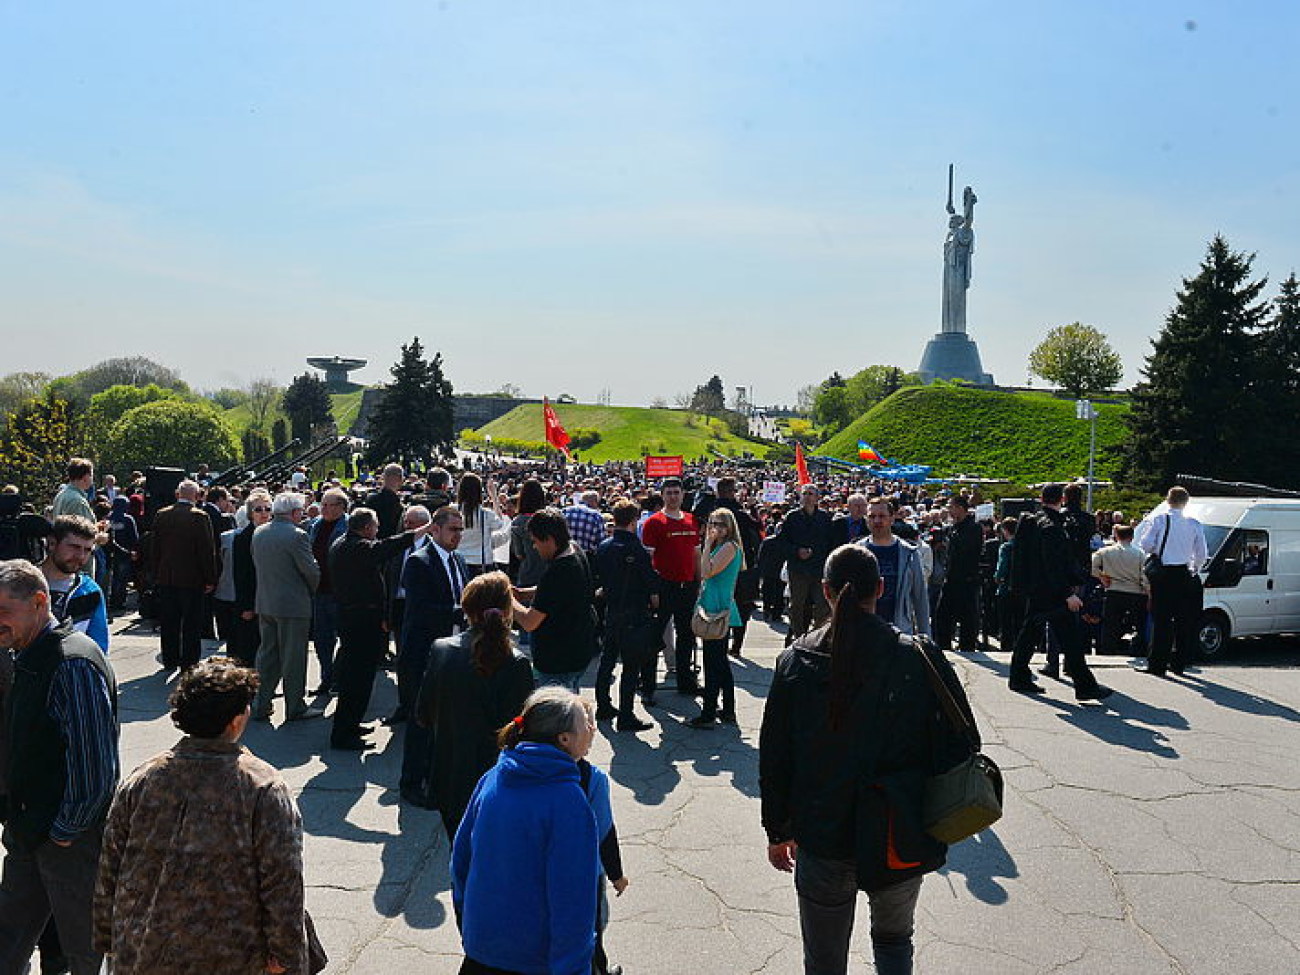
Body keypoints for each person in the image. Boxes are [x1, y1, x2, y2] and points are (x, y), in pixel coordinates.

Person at [759, 544, 977, 975]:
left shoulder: (796, 661)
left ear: (824, 590)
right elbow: (963, 742)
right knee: (895, 941)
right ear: (881, 587)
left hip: (822, 832)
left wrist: (778, 828)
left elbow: (775, 757)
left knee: (824, 960)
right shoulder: (916, 657)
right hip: (900, 825)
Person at [92, 658, 308, 974]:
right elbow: (283, 881)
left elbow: (110, 866)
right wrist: (287, 957)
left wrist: (107, 938)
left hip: (143, 950)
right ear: (235, 721)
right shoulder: (262, 787)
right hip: (232, 955)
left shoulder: (142, 780)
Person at [0, 559, 119, 975]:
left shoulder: (72, 662)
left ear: (38, 601)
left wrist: (66, 832)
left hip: (68, 838)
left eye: (3, 612)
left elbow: (95, 766)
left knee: (83, 953)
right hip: (30, 830)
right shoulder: (27, 653)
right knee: (8, 942)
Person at [451, 686, 600, 975]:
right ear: (565, 739)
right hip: (534, 959)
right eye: (586, 723)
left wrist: (471, 927)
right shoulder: (567, 801)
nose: (593, 728)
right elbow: (573, 900)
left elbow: (460, 861)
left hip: (482, 950)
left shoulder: (493, 778)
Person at [414, 571, 534, 839]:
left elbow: (422, 715)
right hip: (497, 781)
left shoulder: (441, 650)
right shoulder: (516, 663)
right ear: (506, 610)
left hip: (448, 779)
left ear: (466, 608)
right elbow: (522, 732)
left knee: (459, 856)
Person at [328, 507, 427, 751]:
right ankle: (344, 733)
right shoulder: (357, 548)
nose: (378, 530)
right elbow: (386, 547)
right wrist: (419, 531)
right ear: (365, 528)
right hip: (360, 619)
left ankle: (351, 724)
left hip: (356, 617)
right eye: (375, 525)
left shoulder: (343, 543)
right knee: (357, 679)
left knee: (359, 677)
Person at [1006, 484, 1113, 700]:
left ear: (1041, 498)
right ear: (1062, 499)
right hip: (1052, 592)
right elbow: (1052, 564)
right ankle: (1084, 685)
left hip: (1036, 589)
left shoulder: (1031, 522)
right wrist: (1067, 593)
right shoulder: (1052, 527)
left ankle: (1019, 676)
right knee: (1069, 638)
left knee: (1031, 634)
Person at [398, 506, 469, 806]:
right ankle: (411, 783)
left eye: (461, 530)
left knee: (444, 720)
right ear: (435, 530)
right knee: (420, 720)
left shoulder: (459, 560)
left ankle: (434, 776)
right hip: (422, 653)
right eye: (453, 530)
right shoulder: (419, 562)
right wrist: (462, 612)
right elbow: (422, 611)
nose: (458, 536)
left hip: (452, 652)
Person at [250, 492, 322, 722]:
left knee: (267, 655)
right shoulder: (297, 535)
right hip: (292, 604)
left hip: (266, 601)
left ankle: (260, 703)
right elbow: (311, 571)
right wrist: (314, 587)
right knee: (293, 657)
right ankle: (295, 706)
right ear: (293, 512)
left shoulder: (259, 532)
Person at [512, 508, 598, 692]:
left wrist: (508, 599)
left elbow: (529, 622)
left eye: (535, 542)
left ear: (549, 539)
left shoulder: (558, 571)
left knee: (558, 716)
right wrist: (524, 593)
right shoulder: (575, 549)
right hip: (579, 650)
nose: (534, 547)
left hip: (558, 661)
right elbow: (558, 594)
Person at [593, 500, 659, 731]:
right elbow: (651, 584)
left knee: (607, 660)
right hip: (634, 611)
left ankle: (603, 705)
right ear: (633, 522)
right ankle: (626, 714)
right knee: (631, 666)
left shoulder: (604, 546)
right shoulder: (637, 549)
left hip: (612, 609)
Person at [148, 479, 219, 671]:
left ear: (177, 494)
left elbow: (155, 548)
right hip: (192, 579)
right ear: (196, 496)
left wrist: (155, 573)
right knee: (191, 623)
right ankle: (189, 661)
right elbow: (206, 551)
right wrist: (211, 578)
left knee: (169, 621)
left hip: (167, 577)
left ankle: (170, 659)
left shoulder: (162, 515)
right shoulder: (200, 517)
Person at [1138, 486, 1208, 676]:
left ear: (1168, 500)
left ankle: (1157, 664)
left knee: (1161, 621)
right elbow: (1202, 553)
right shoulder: (1194, 523)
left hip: (1163, 574)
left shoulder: (1159, 520)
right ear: (1186, 503)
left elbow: (1145, 545)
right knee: (1183, 621)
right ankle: (1179, 664)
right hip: (1184, 573)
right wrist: (1194, 569)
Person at [639, 478, 701, 694]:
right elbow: (648, 560)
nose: (673, 496)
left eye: (677, 492)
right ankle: (647, 686)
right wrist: (653, 590)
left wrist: (699, 582)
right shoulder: (653, 522)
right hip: (664, 586)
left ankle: (686, 682)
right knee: (654, 639)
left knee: (687, 636)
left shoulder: (692, 520)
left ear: (683, 495)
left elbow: (696, 554)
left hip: (688, 586)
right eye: (669, 493)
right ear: (662, 495)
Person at [686, 508, 743, 729]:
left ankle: (709, 713)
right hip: (713, 604)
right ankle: (727, 709)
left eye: (719, 524)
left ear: (729, 526)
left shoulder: (729, 547)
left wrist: (706, 545)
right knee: (719, 662)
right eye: (711, 523)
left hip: (718, 609)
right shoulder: (723, 546)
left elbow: (707, 572)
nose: (714, 527)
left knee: (713, 662)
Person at [857, 498, 930, 637]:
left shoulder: (910, 554)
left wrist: (925, 636)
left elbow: (920, 598)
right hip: (864, 632)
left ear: (892, 518)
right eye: (872, 516)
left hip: (899, 632)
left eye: (882, 516)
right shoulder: (857, 551)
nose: (877, 521)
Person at [40, 516, 109, 652]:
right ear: (52, 543)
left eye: (88, 550)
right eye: (74, 547)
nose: (81, 556)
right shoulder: (24, 583)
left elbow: (98, 649)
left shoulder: (90, 591)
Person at [307, 487, 350, 695]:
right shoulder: (315, 526)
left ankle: (339, 678)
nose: (322, 508)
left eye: (328, 505)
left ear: (341, 507)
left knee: (344, 637)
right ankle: (327, 678)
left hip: (340, 591)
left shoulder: (349, 526)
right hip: (319, 591)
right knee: (322, 639)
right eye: (322, 504)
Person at [780, 484, 835, 644]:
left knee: (822, 605)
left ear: (817, 498)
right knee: (797, 605)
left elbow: (829, 543)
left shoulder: (824, 518)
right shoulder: (792, 517)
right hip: (798, 568)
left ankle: (817, 637)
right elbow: (783, 542)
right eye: (804, 493)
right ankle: (799, 637)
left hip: (818, 568)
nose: (807, 497)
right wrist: (797, 551)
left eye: (811, 494)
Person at [226, 490, 272, 667]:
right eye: (258, 509)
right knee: (250, 645)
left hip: (270, 600)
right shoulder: (242, 538)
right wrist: (246, 605)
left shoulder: (272, 534)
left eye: (267, 508)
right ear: (250, 513)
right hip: (251, 600)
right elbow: (241, 574)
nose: (263, 513)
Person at [932, 495, 982, 654]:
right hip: (950, 578)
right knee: (942, 614)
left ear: (960, 508)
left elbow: (965, 548)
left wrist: (949, 538)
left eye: (951, 507)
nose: (949, 511)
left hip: (967, 579)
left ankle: (967, 647)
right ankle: (943, 646)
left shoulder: (973, 528)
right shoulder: (952, 527)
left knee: (968, 616)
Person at [1092, 523, 1149, 658]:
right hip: (1135, 592)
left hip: (1113, 590)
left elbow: (1092, 566)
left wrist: (1101, 576)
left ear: (1116, 536)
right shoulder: (1140, 554)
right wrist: (1147, 590)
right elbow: (1144, 576)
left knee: (1110, 624)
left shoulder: (1105, 551)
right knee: (1139, 624)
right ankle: (1137, 649)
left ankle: (1107, 650)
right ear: (1132, 537)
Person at [457, 473, 509, 578]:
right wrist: (494, 496)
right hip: (481, 562)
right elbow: (500, 523)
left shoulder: (453, 511)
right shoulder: (486, 514)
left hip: (458, 562)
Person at [51, 459, 96, 524]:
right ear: (85, 477)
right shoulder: (77, 501)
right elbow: (81, 531)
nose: (92, 479)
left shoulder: (61, 494)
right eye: (91, 475)